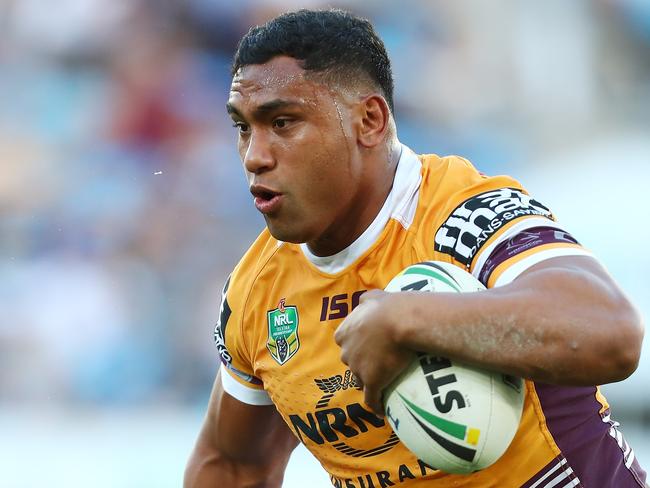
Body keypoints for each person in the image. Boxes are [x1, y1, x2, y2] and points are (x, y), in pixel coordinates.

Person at [184, 8, 647, 488]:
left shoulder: (463, 214)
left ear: (369, 120)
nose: (255, 156)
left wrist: (406, 320)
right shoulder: (257, 291)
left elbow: (613, 334)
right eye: (243, 128)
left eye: (282, 122)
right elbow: (234, 465)